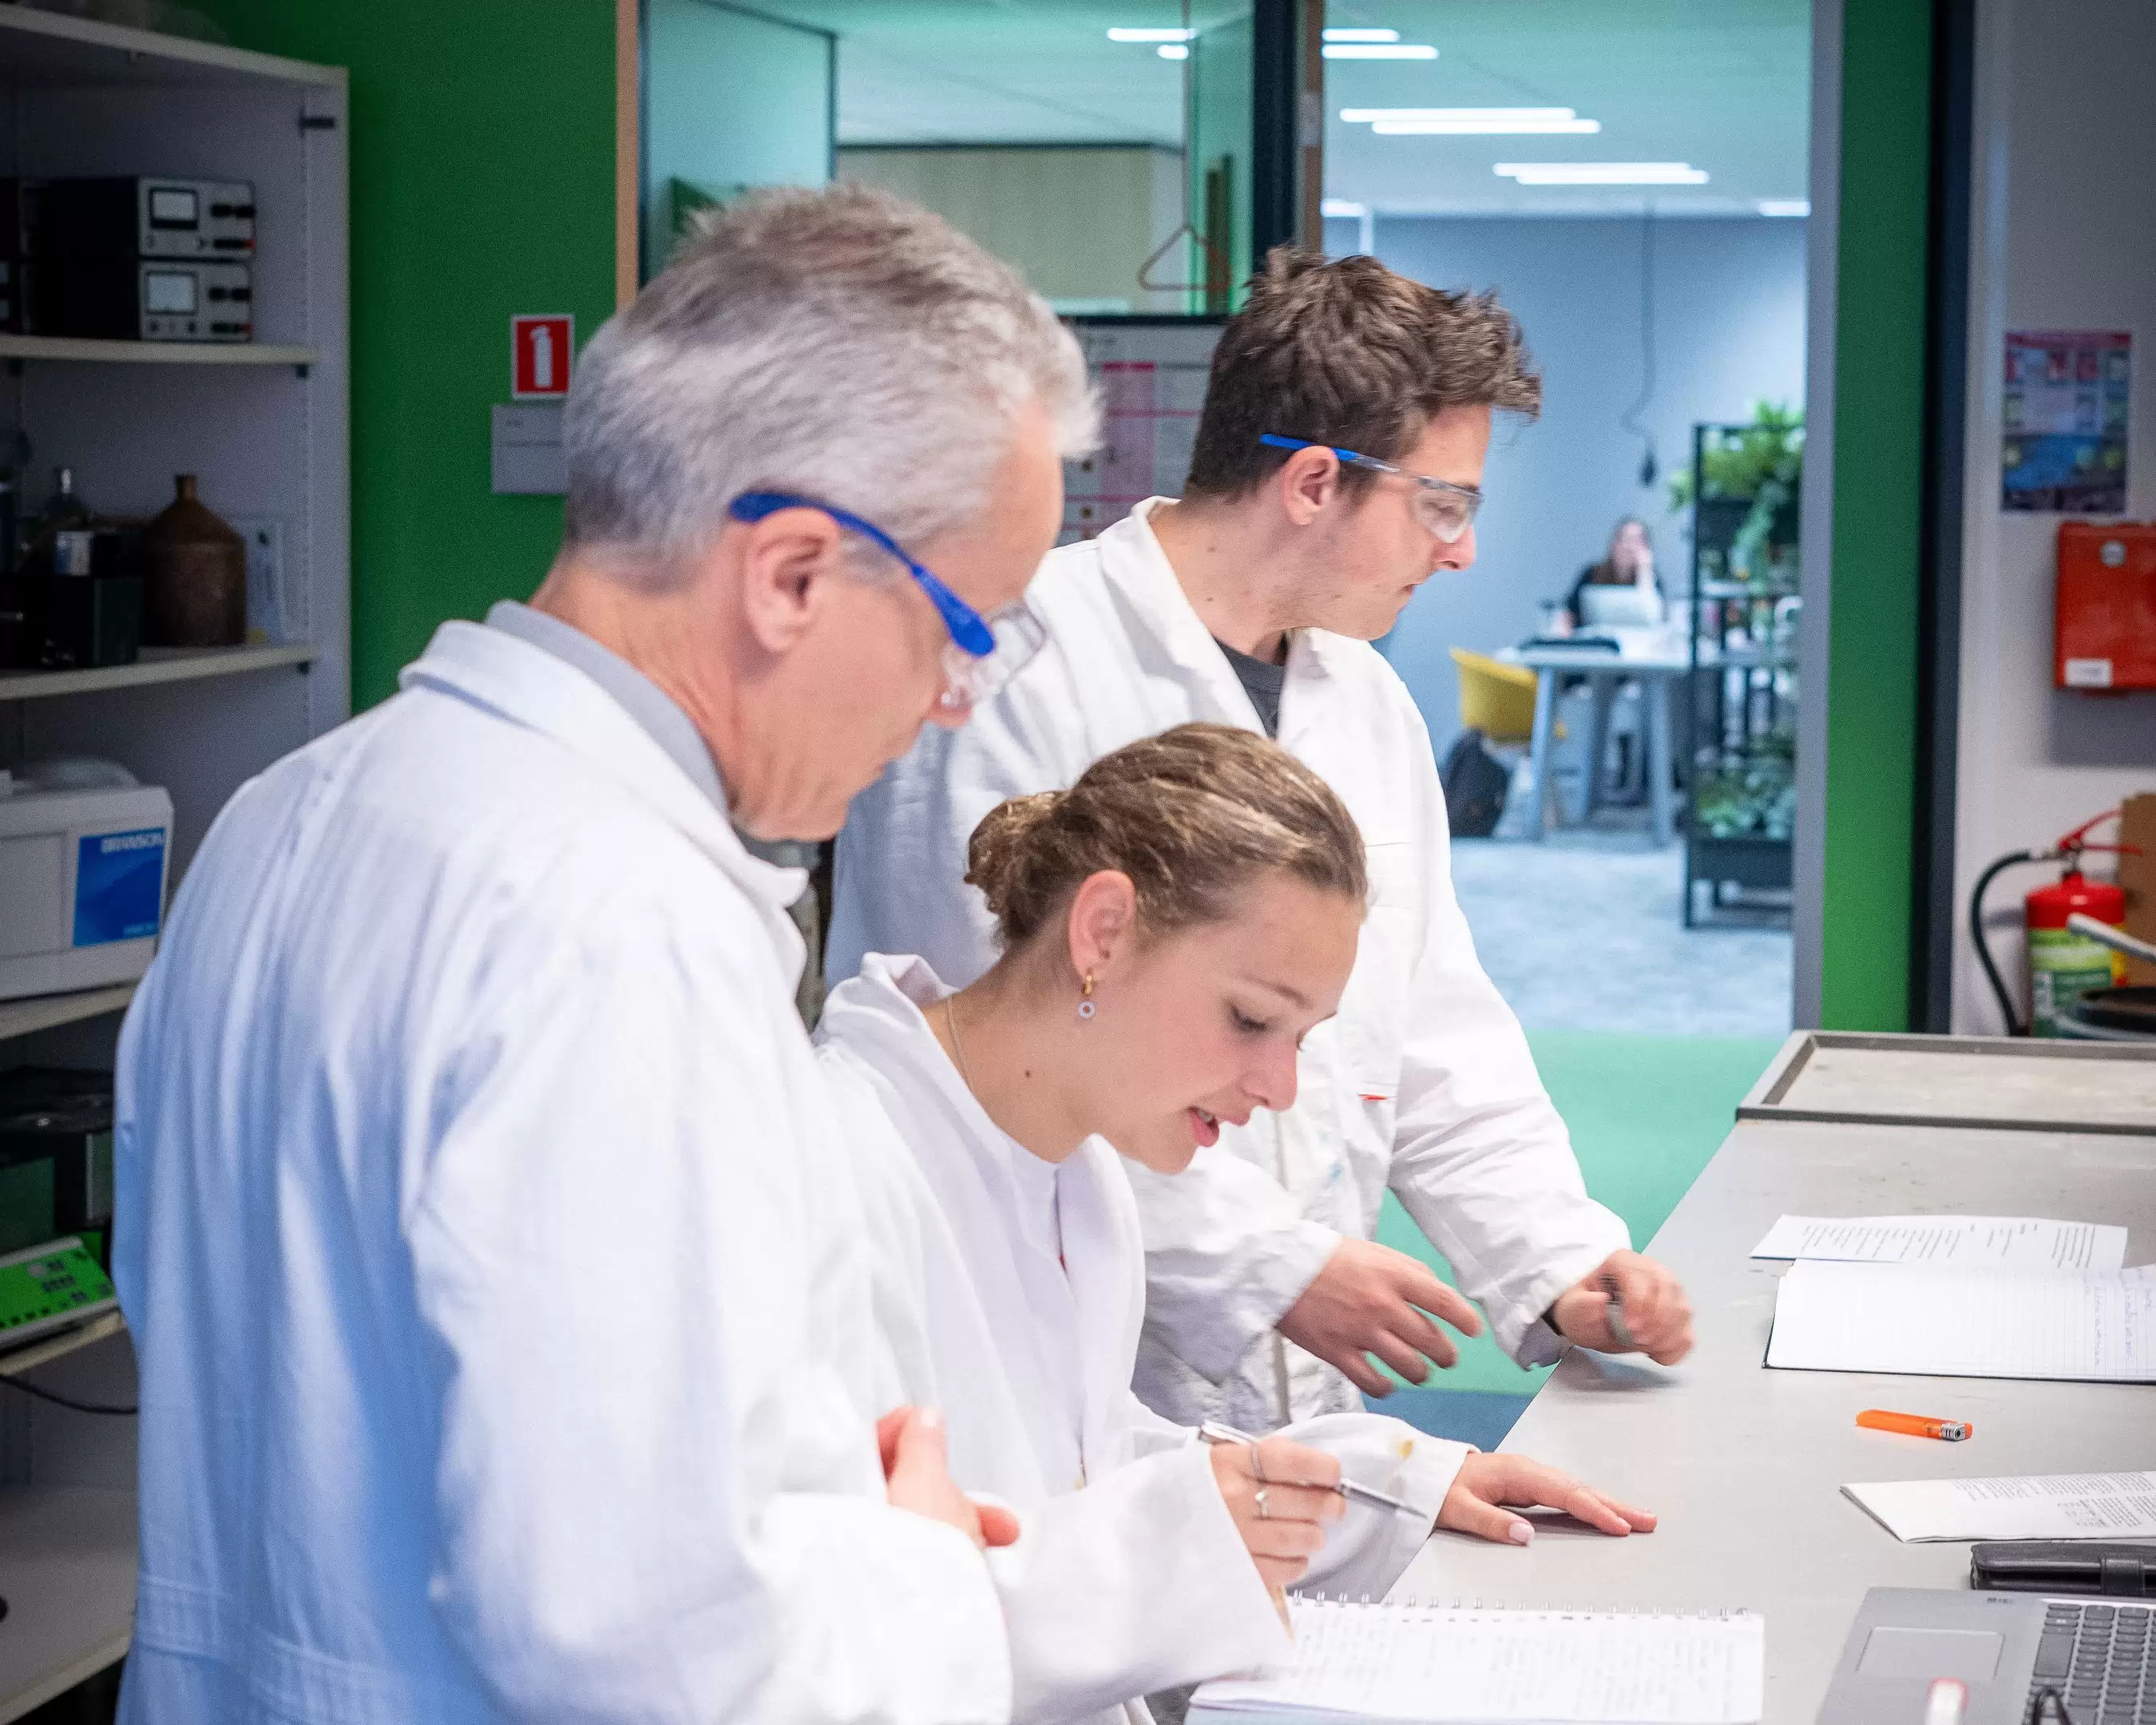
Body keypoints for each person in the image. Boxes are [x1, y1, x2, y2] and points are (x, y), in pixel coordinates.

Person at [112, 186, 1096, 1723]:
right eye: (966, 632)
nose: (956, 707)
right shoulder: (618, 929)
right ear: (789, 577)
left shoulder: (289, 811)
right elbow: (647, 1639)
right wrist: (917, 1574)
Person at [829, 248, 1696, 1438]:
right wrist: (1267, 1266)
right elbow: (989, 1057)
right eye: (1443, 505)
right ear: (1312, 485)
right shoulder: (1018, 673)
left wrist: (1553, 1258)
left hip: (1300, 1405)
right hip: (1047, 1364)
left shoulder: (1367, 704)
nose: (1463, 551)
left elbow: (1430, 1024)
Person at [818, 725, 1655, 1725]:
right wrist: (1177, 1546)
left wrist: (1382, 1483)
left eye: (1302, 1039)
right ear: (1104, 931)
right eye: (1253, 1020)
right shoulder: (837, 1173)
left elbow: (1073, 1465)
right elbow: (832, 1630)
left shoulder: (1073, 1167)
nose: (1278, 1087)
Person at [1563, 516, 1665, 629]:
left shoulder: (1652, 579)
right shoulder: (1592, 574)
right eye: (1624, 539)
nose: (1629, 547)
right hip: (1597, 642)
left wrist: (1645, 571)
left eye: (1636, 541)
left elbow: (1653, 616)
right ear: (1614, 543)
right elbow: (1569, 613)